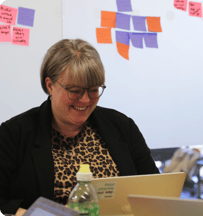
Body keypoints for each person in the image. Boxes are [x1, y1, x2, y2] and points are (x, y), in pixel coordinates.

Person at [0, 39, 159, 215]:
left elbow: (155, 190)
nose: (85, 100)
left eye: (93, 90)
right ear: (50, 86)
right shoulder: (14, 134)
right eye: (75, 91)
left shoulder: (121, 126)